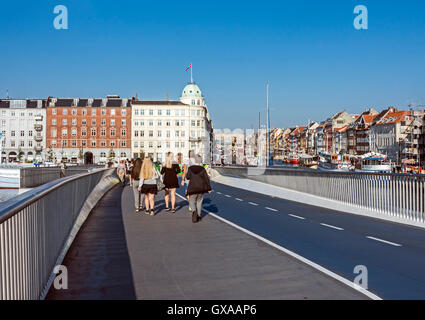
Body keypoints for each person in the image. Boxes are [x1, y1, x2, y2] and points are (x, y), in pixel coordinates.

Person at [186, 154, 212, 223]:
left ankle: (194, 211)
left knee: (191, 200)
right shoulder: (203, 169)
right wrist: (209, 188)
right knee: (199, 202)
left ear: (194, 160)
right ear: (200, 161)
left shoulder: (190, 168)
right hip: (201, 188)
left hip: (192, 187)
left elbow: (187, 177)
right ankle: (199, 216)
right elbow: (206, 179)